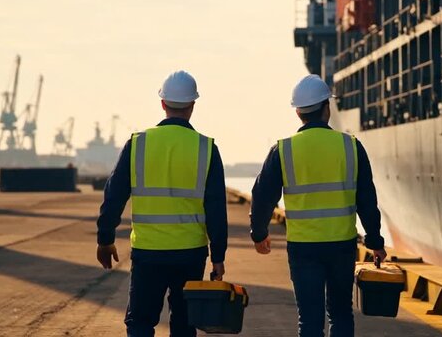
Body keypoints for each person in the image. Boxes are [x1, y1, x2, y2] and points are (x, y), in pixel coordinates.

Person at [250, 74, 387, 337]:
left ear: (298, 112)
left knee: (309, 319)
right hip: (341, 246)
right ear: (327, 108)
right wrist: (375, 241)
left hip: (303, 248)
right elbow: (367, 200)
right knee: (340, 313)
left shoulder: (283, 150)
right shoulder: (351, 147)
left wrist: (259, 234)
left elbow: (263, 195)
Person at [96, 70, 228, 337]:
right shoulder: (206, 148)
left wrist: (105, 238)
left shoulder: (138, 144)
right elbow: (216, 208)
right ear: (192, 105)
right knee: (183, 325)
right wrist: (218, 256)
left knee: (141, 323)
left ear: (163, 104)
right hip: (190, 253)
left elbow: (114, 196)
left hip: (149, 251)